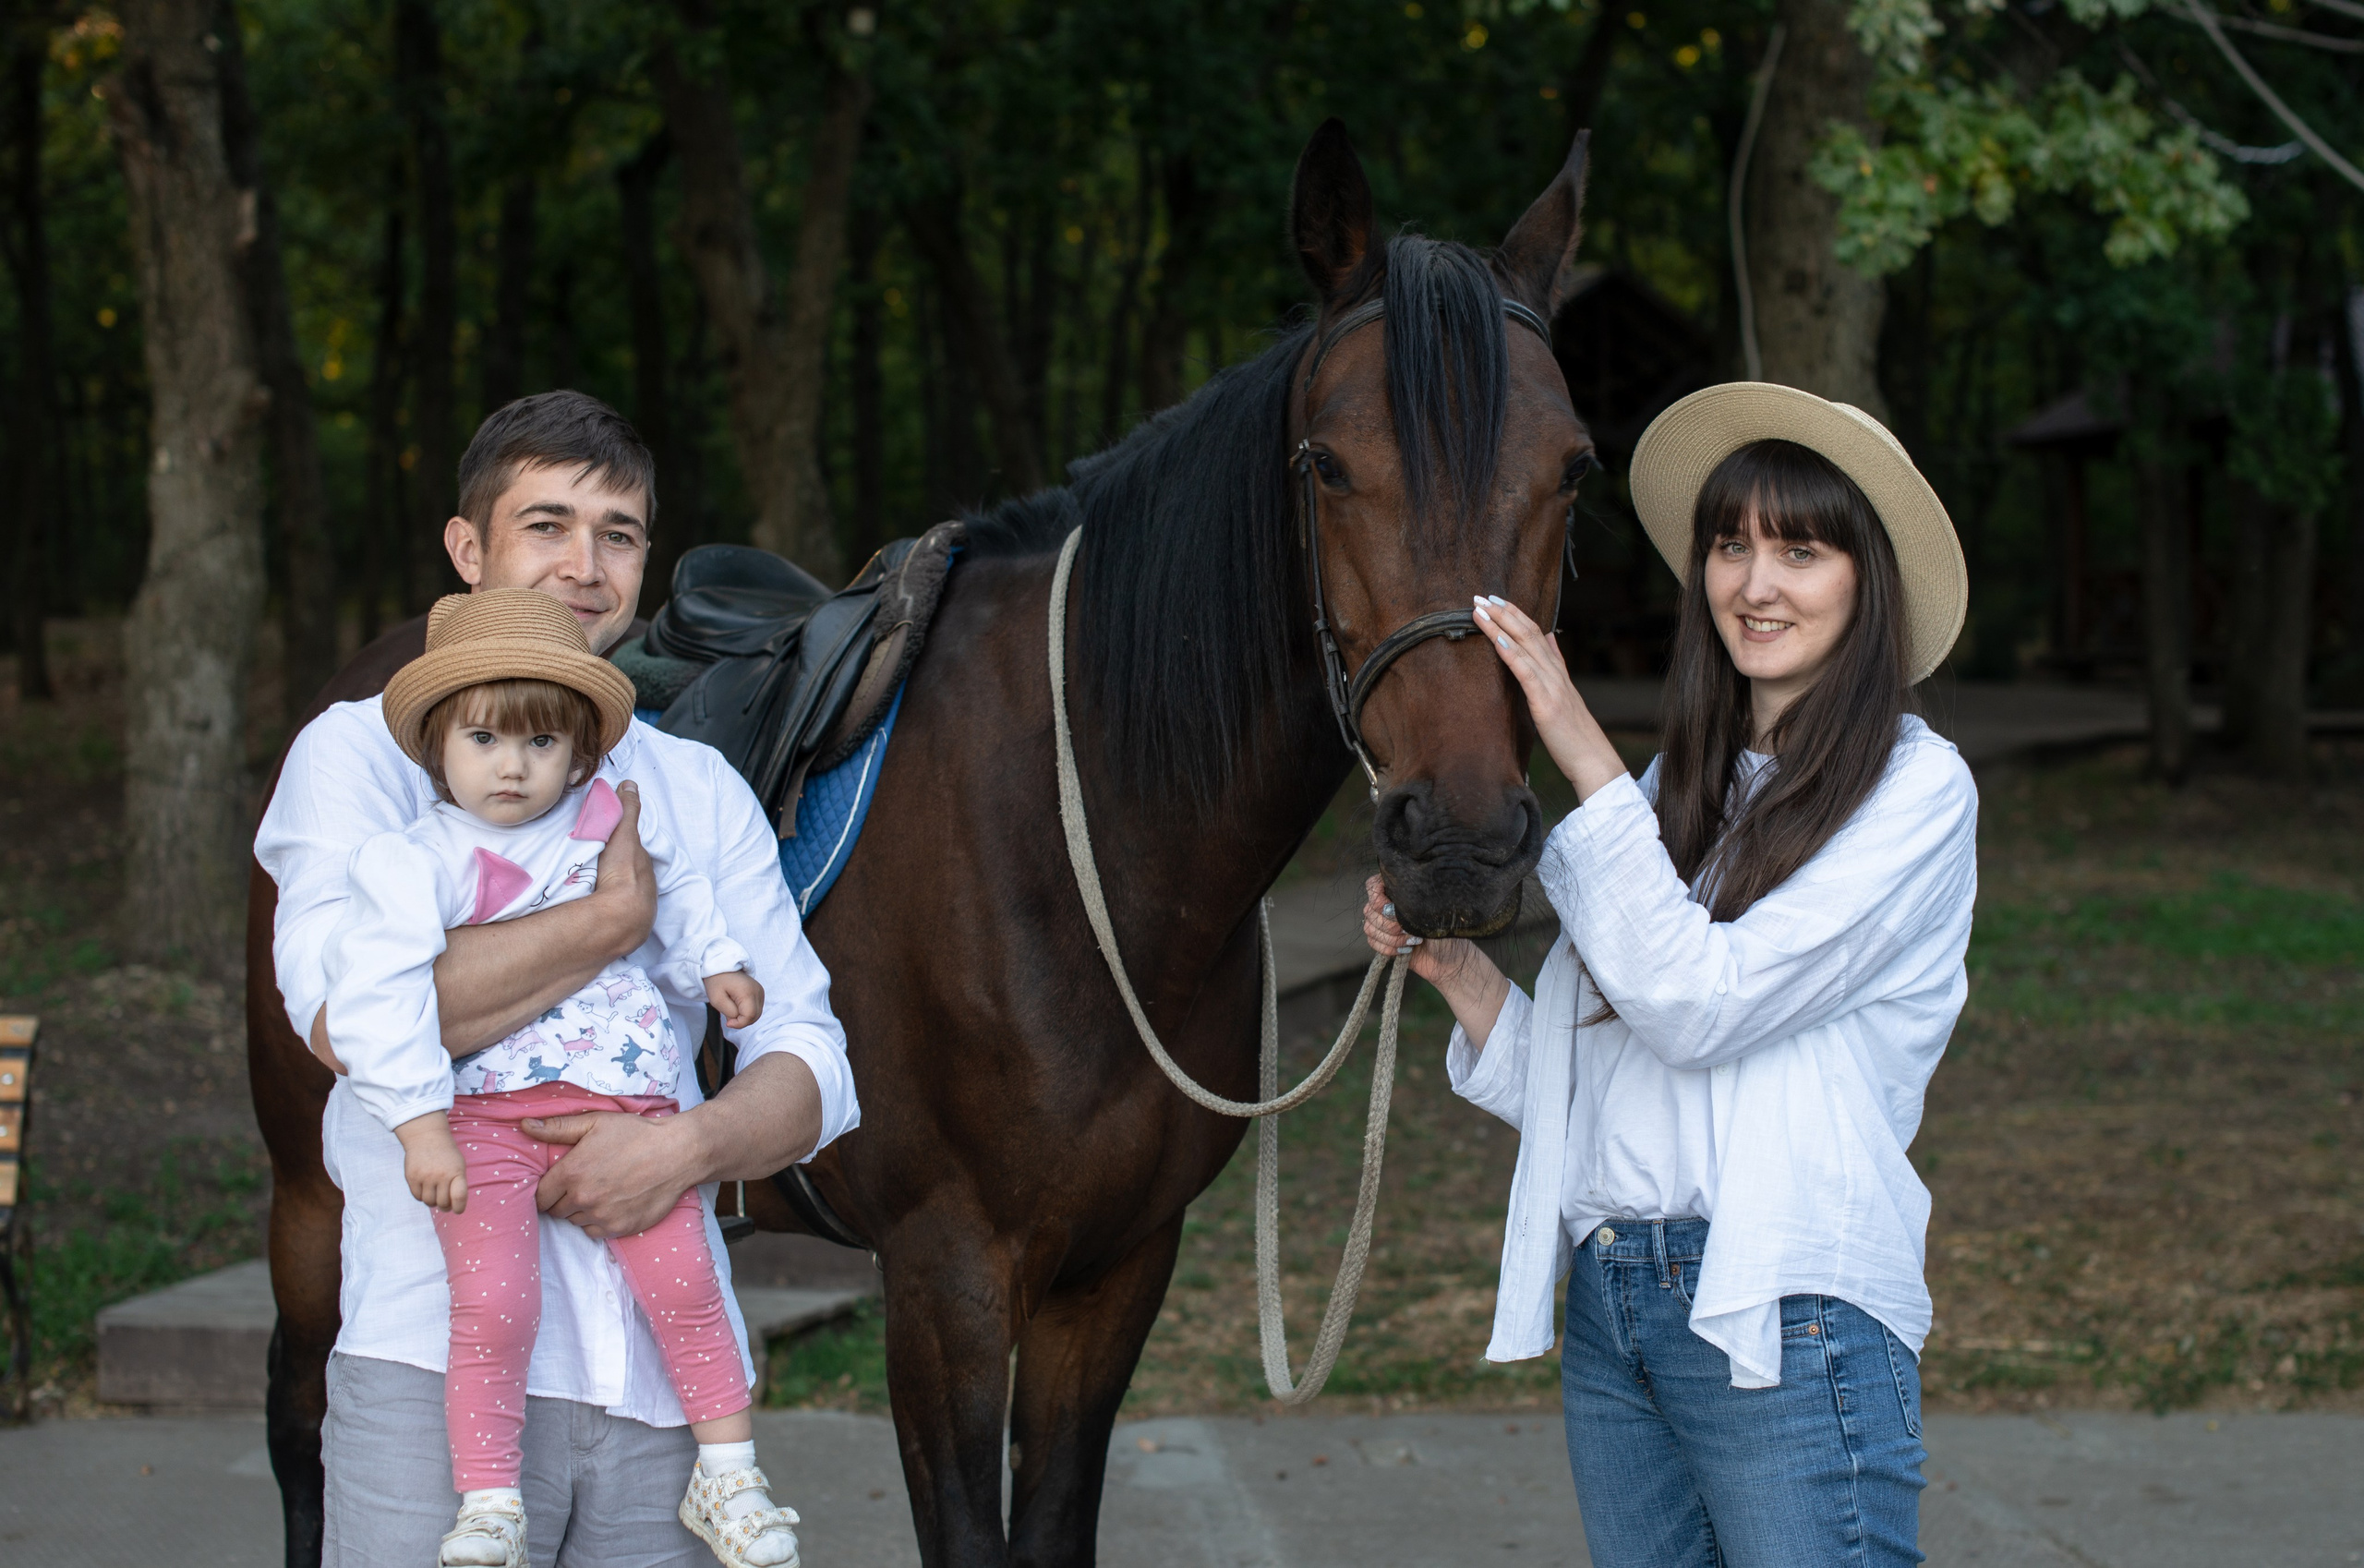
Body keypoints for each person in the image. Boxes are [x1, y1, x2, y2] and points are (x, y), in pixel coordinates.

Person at [1363, 383, 1975, 1567]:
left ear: (1867, 581)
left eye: (1801, 550)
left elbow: (1699, 1007)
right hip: (1618, 1308)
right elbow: (1609, 1073)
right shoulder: (1670, 795)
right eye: (1731, 546)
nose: (1756, 584)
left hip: (1785, 1310)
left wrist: (1571, 737)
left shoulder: (1915, 788)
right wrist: (1458, 972)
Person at [256, 392, 858, 1568]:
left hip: (663, 1383)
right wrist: (610, 920)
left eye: (620, 533)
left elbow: (814, 1060)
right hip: (432, 1365)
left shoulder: (691, 786)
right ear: (468, 549)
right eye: (547, 524)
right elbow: (349, 1021)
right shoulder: (358, 759)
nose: (585, 566)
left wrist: (685, 1149)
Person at [323, 588, 797, 1568]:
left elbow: (680, 888)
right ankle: (489, 1496)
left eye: (541, 745)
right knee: (494, 1306)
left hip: (627, 1108)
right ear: (437, 750)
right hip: (487, 1123)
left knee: (691, 1288)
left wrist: (714, 961)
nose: (511, 765)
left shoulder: (602, 822)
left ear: (579, 755)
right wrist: (419, 1125)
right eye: (486, 739)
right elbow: (369, 1001)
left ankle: (730, 1476)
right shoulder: (422, 859)